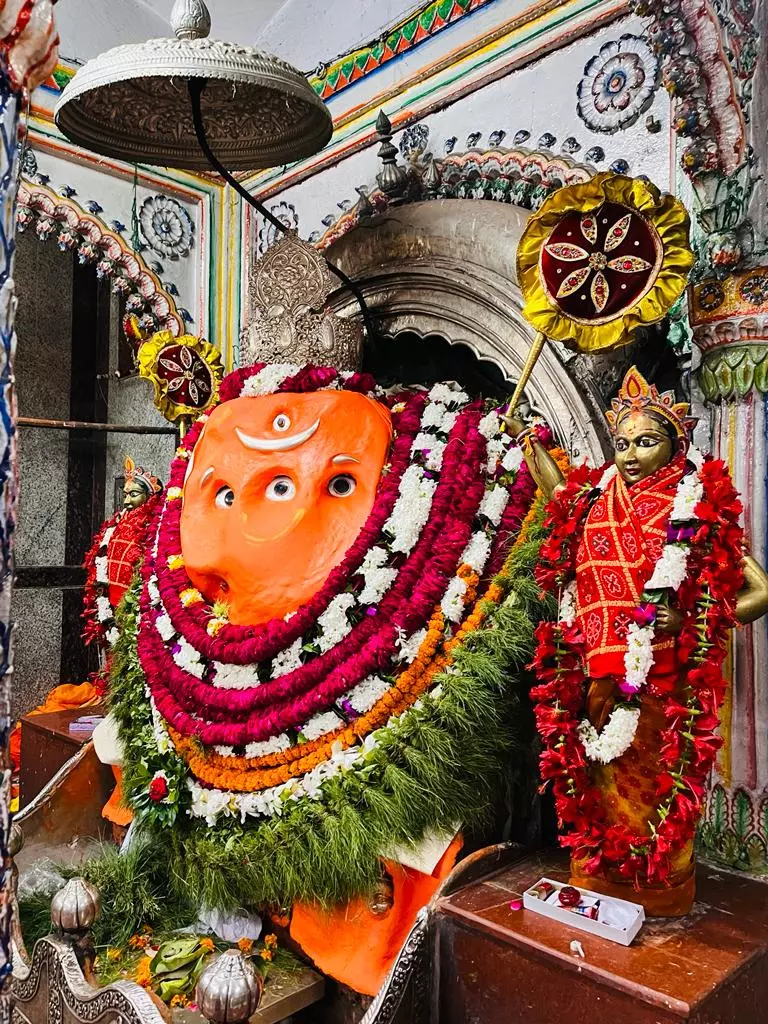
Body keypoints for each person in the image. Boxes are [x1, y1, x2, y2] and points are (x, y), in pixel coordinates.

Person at [505, 366, 768, 915]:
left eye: (646, 442)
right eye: (622, 443)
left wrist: (693, 620)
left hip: (660, 683)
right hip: (591, 674)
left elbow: (760, 592)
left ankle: (660, 895)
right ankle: (597, 887)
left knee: (654, 796)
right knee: (594, 789)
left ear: (676, 444)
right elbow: (560, 497)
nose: (629, 455)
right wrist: (530, 444)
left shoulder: (696, 508)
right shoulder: (597, 497)